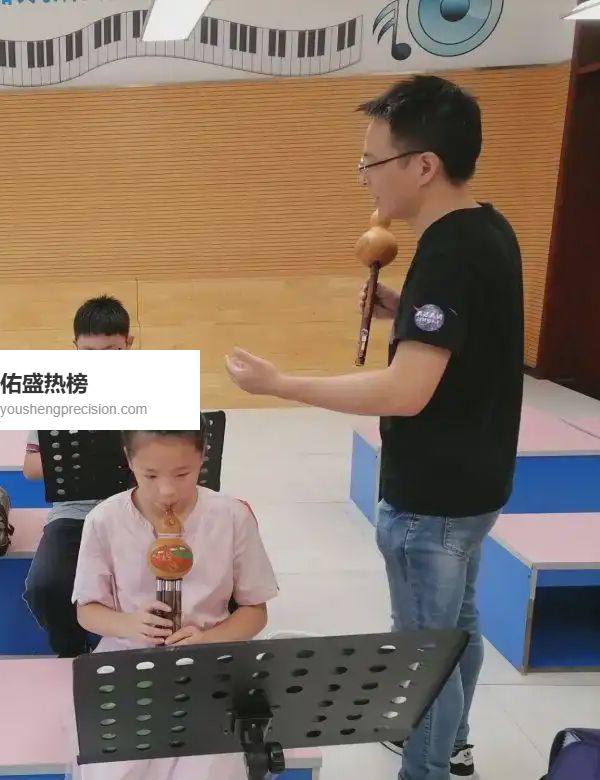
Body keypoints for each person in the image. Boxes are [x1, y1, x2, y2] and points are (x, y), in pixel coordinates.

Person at [223, 75, 523, 780]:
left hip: (432, 497)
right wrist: (408, 307)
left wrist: (281, 384)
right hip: (478, 482)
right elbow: (464, 340)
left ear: (424, 166)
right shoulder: (488, 228)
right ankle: (453, 745)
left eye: (372, 162)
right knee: (457, 629)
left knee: (425, 654)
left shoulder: (446, 253)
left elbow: (405, 392)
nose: (364, 177)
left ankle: (427, 768)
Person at [70, 423, 279, 779]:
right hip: (127, 659)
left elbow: (255, 610)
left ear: (203, 457)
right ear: (129, 459)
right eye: (150, 475)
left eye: (182, 474)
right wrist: (129, 623)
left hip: (211, 660)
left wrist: (209, 638)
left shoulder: (231, 516)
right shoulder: (104, 520)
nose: (167, 491)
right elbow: (87, 610)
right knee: (115, 767)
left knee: (211, 770)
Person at [22, 295, 134, 657]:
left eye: (112, 351)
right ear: (75, 348)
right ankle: (72, 652)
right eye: (89, 352)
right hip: (75, 513)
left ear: (129, 344)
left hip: (139, 509)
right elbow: (30, 468)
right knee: (44, 586)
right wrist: (85, 453)